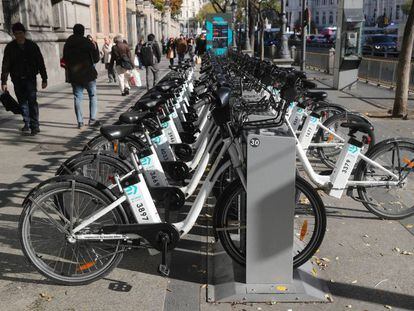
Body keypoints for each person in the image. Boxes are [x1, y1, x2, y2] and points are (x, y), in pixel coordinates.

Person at [1, 22, 47, 136]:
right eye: (16, 34)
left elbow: (40, 62)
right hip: (17, 79)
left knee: (32, 102)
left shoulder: (32, 46)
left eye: (20, 33)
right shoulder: (10, 47)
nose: (19, 36)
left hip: (30, 79)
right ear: (14, 34)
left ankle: (35, 126)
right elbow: (5, 65)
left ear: (24, 33)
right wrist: (4, 81)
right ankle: (27, 122)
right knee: (22, 103)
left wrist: (44, 78)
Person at [63, 23, 100, 129]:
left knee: (77, 97)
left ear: (73, 31)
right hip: (88, 75)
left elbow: (65, 58)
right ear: (83, 32)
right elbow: (96, 58)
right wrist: (95, 46)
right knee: (92, 96)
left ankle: (80, 121)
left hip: (74, 75)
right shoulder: (87, 42)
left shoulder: (68, 43)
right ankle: (92, 119)